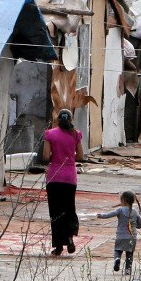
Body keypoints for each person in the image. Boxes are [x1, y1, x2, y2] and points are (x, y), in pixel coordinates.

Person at [42, 108, 84, 256]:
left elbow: (46, 156)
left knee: (55, 211)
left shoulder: (50, 134)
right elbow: (80, 155)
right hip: (70, 177)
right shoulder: (76, 135)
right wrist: (69, 156)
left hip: (54, 176)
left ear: (57, 120)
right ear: (71, 120)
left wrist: (55, 154)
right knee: (69, 208)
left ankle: (58, 246)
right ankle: (70, 237)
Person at [98, 191, 141, 275]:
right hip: (132, 238)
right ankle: (128, 270)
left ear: (123, 200)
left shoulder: (120, 210)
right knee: (129, 254)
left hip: (120, 237)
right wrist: (133, 225)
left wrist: (100, 215)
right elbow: (140, 225)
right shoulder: (135, 212)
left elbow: (108, 215)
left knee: (117, 250)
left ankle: (117, 259)